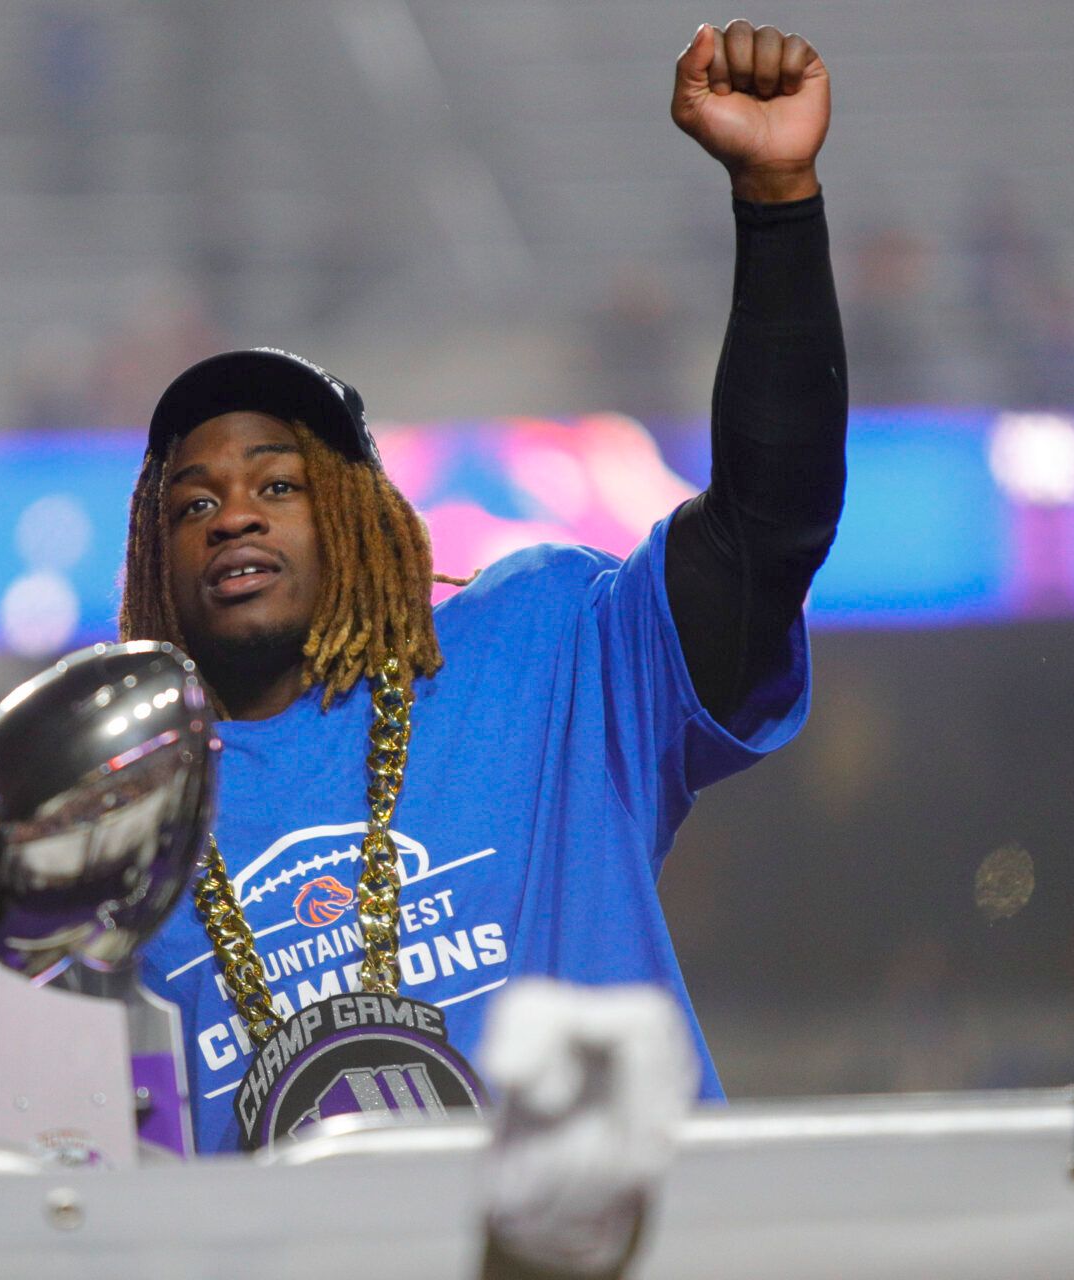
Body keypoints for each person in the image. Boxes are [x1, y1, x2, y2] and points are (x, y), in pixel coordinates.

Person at [119, 21, 847, 1153]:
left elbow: (773, 522)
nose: (236, 515)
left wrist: (778, 202)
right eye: (193, 502)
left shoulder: (547, 651)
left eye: (279, 482)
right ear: (153, 557)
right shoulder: (111, 825)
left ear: (358, 515)